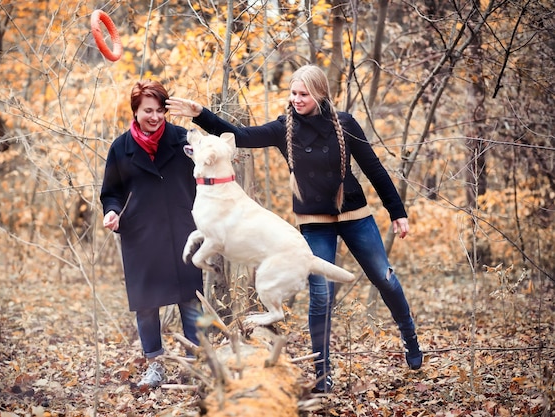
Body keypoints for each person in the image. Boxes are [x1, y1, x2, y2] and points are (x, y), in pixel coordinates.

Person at [166, 64, 423, 393]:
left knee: (384, 277)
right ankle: (322, 372)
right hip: (314, 222)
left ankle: (409, 336)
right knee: (320, 295)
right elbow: (242, 136)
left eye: (303, 94)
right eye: (293, 93)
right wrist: (201, 114)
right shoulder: (283, 127)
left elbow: (373, 167)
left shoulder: (344, 123)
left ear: (319, 94)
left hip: (354, 214)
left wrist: (396, 211)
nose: (296, 99)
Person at [100, 80, 204, 389]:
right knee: (146, 305)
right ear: (135, 111)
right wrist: (112, 212)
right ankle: (155, 366)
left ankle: (193, 364)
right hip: (141, 236)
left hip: (185, 232)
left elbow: (207, 172)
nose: (155, 117)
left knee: (191, 300)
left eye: (160, 110)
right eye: (148, 110)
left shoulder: (184, 140)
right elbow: (111, 193)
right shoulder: (121, 147)